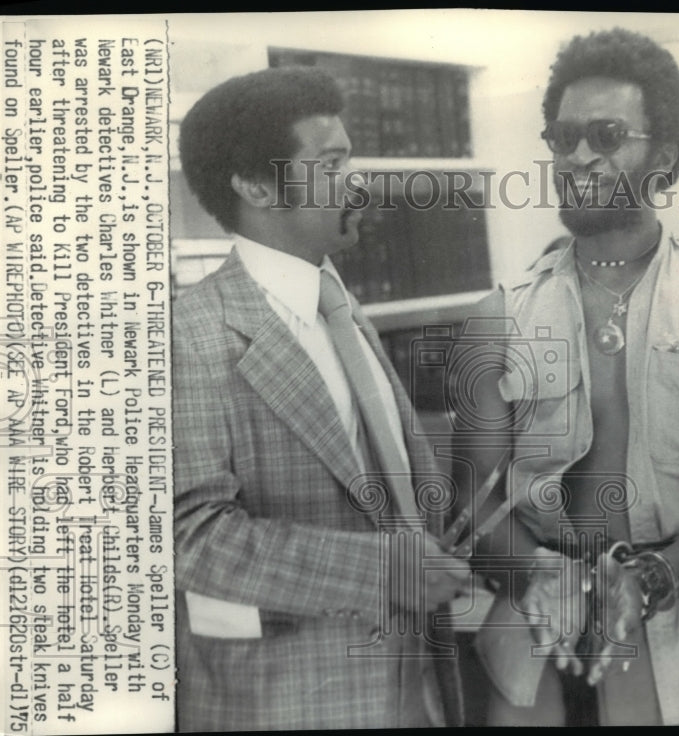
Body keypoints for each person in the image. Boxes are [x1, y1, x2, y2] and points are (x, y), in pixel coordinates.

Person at [453, 28, 679, 726]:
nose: (578, 156)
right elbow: (474, 498)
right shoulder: (498, 316)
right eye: (563, 136)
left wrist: (648, 580)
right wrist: (542, 579)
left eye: (605, 134)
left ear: (663, 156)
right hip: (531, 650)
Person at [171, 66, 471, 731]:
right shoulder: (186, 334)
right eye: (330, 164)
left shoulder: (339, 305)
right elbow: (187, 537)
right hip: (290, 705)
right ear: (253, 185)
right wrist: (382, 571)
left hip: (419, 683)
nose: (355, 183)